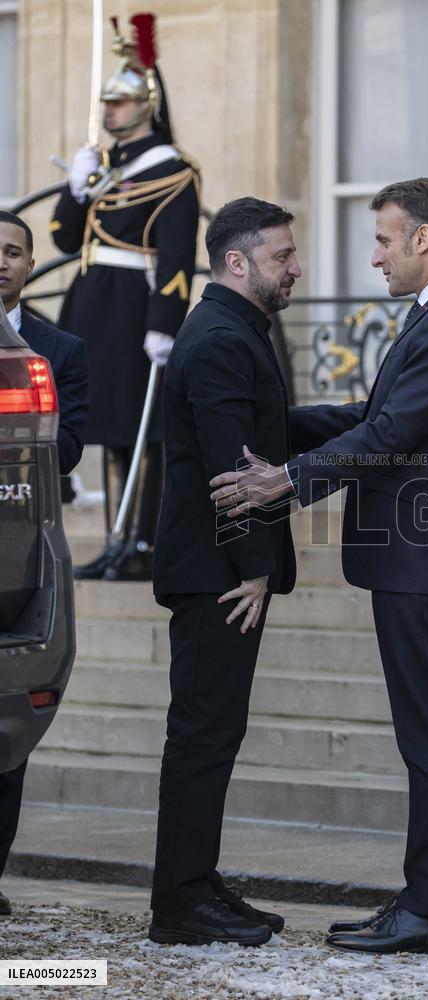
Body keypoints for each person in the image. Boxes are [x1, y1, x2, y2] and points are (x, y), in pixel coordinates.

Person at [212, 178, 428, 955]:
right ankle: (419, 900)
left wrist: (290, 478)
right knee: (424, 736)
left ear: (422, 239)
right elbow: (372, 419)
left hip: (425, 553)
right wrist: (272, 426)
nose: (372, 255)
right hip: (408, 556)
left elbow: (396, 431)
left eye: (383, 239)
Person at [148, 198, 300, 946]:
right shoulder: (216, 338)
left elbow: (266, 432)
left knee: (215, 731)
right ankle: (178, 904)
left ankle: (196, 881)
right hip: (219, 573)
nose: (295, 267)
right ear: (236, 262)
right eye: (282, 256)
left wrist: (370, 422)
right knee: (203, 734)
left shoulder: (234, 329)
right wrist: (254, 568)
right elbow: (231, 469)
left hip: (223, 566)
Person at [50, 13, 200, 579]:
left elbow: (177, 254)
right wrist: (76, 187)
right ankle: (118, 540)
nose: (108, 111)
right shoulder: (107, 165)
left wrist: (165, 320)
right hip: (93, 300)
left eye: (120, 102)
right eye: (106, 102)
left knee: (138, 428)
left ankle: (138, 543)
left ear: (147, 105)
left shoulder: (173, 170)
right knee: (108, 426)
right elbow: (65, 237)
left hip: (133, 307)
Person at [0, 211, 89, 917]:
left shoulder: (59, 349)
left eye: (12, 251)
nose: (0, 260)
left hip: (16, 556)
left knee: (7, 744)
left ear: (31, 264)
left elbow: (70, 451)